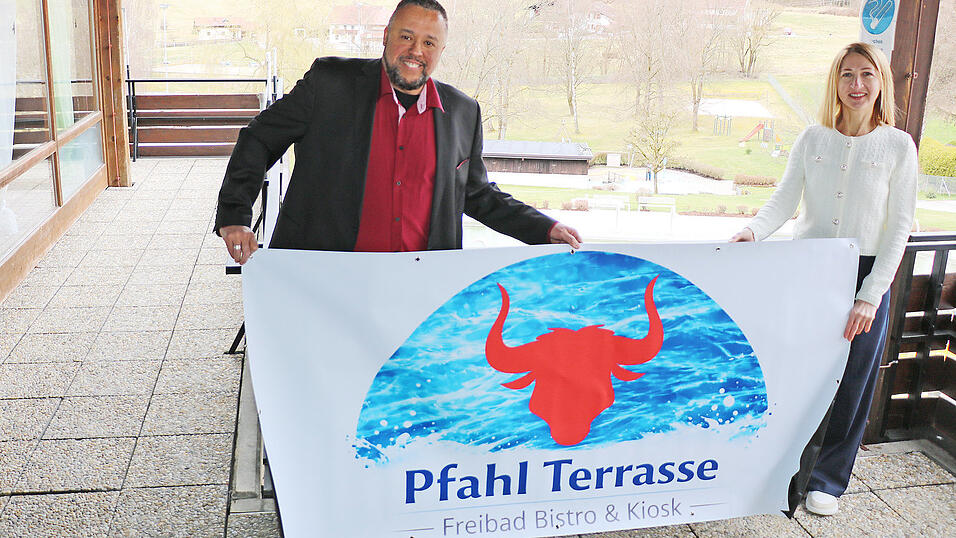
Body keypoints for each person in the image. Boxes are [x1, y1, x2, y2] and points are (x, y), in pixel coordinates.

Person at [215, 0, 581, 264]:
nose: (415, 51)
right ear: (387, 35)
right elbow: (259, 138)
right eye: (406, 36)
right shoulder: (328, 84)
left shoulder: (463, 113)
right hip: (322, 278)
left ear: (440, 50)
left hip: (417, 289)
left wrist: (544, 229)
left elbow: (478, 195)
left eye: (428, 42)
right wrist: (235, 215)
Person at [730, 42, 918, 516]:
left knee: (853, 381)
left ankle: (829, 480)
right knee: (799, 374)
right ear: (835, 82)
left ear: (881, 83)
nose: (857, 85)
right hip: (808, 271)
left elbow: (899, 227)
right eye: (847, 75)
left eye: (867, 75)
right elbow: (783, 199)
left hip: (865, 274)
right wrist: (752, 231)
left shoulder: (898, 146)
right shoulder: (812, 139)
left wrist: (871, 296)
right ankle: (783, 470)